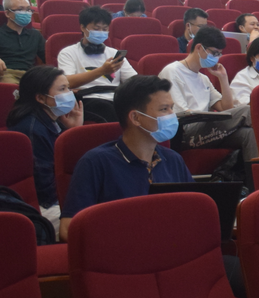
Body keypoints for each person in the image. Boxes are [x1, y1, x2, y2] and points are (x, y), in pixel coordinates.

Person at [59, 76, 193, 242]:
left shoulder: (173, 159)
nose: (173, 116)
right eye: (164, 109)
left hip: (170, 245)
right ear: (136, 118)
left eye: (172, 108)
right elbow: (68, 229)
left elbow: (192, 212)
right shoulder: (95, 162)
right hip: (121, 250)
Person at [158, 26, 257, 182]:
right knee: (246, 111)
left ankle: (255, 184)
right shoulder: (172, 71)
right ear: (199, 48)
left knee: (249, 134)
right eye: (214, 53)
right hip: (185, 132)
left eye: (219, 54)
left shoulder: (203, 78)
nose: (217, 58)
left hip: (206, 130)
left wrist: (223, 78)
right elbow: (181, 114)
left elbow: (226, 108)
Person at [7, 66, 84, 230]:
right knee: (92, 224)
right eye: (62, 89)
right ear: (41, 98)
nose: (69, 93)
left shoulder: (53, 120)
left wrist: (73, 132)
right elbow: (47, 191)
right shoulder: (32, 130)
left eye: (68, 87)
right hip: (43, 208)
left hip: (58, 199)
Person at [57, 6, 135, 123]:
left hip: (115, 98)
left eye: (105, 29)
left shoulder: (114, 53)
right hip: (87, 99)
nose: (101, 32)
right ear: (83, 27)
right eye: (96, 29)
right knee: (107, 110)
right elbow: (67, 82)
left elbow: (133, 79)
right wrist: (102, 71)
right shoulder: (68, 53)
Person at [0, 0, 45, 85]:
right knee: (12, 88)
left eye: (28, 9)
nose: (26, 13)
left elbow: (48, 57)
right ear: (7, 13)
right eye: (20, 9)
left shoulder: (35, 35)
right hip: (7, 73)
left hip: (30, 75)